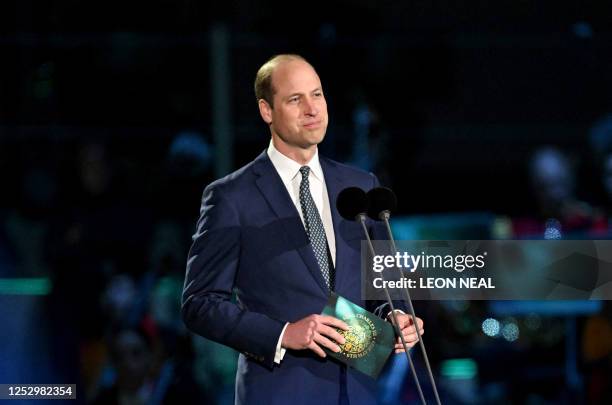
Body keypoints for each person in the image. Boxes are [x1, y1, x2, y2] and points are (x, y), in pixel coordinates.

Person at [181, 54, 423, 405]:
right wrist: (282, 334)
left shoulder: (360, 186)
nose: (313, 109)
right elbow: (199, 303)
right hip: (280, 391)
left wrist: (397, 315)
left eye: (318, 95)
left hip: (358, 393)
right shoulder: (232, 196)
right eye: (296, 99)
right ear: (267, 111)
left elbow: (384, 283)